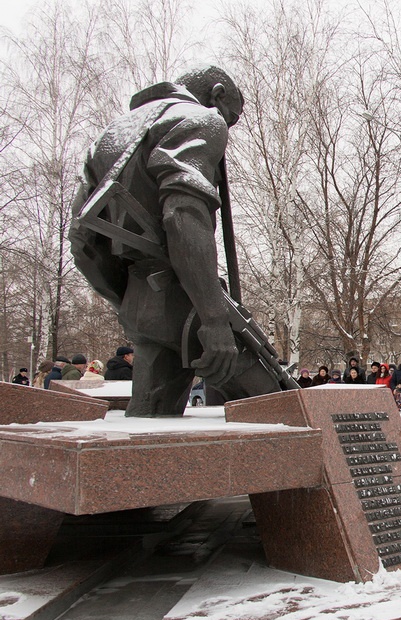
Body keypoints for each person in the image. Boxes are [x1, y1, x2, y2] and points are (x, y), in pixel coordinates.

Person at [70, 66, 283, 417]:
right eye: (231, 118)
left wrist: (128, 297)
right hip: (190, 303)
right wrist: (213, 319)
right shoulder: (201, 118)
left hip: (141, 302)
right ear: (216, 95)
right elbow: (182, 215)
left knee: (148, 422)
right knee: (282, 411)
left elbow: (82, 241)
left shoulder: (110, 137)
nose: (227, 126)